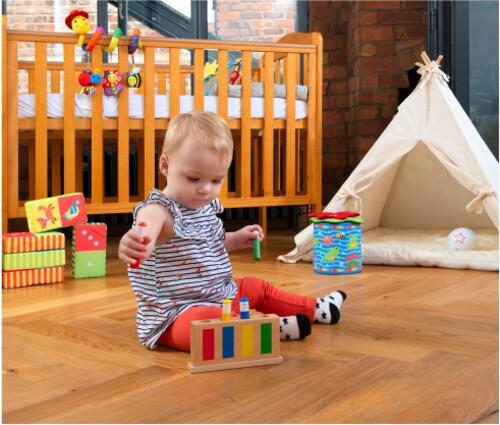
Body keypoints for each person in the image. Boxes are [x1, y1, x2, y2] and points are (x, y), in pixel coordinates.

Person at [118, 111, 346, 351]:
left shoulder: (203, 207)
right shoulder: (160, 210)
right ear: (165, 165)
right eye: (194, 178)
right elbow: (148, 223)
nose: (206, 189)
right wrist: (139, 240)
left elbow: (209, 244)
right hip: (175, 315)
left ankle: (317, 308)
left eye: (216, 181)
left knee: (257, 288)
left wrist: (235, 239)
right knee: (207, 322)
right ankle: (270, 330)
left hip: (218, 295)